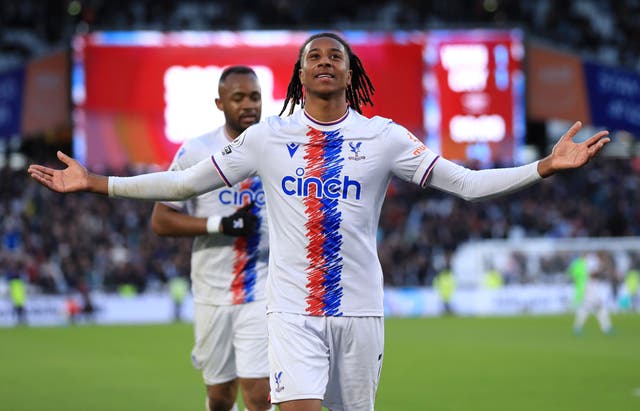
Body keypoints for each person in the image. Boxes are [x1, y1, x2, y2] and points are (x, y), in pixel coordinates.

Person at [28, 32, 610, 411]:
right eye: (314, 55)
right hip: (291, 312)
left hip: (359, 310)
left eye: (336, 55)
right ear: (299, 74)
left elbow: (467, 184)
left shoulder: (384, 138)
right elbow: (182, 185)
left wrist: (543, 167)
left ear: (351, 71)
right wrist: (96, 183)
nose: (325, 60)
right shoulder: (266, 138)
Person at [150, 66, 272, 411]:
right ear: (220, 103)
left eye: (255, 97)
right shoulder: (196, 152)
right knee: (220, 396)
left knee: (259, 393)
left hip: (263, 289)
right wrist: (221, 225)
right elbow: (161, 220)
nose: (248, 105)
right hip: (211, 291)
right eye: (238, 98)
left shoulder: (278, 150)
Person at [568, 252, 614, 335]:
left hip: (591, 285)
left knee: (592, 307)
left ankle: (606, 328)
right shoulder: (593, 261)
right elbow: (591, 274)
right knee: (593, 307)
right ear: (601, 256)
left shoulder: (593, 261)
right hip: (590, 286)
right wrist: (601, 270)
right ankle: (606, 328)